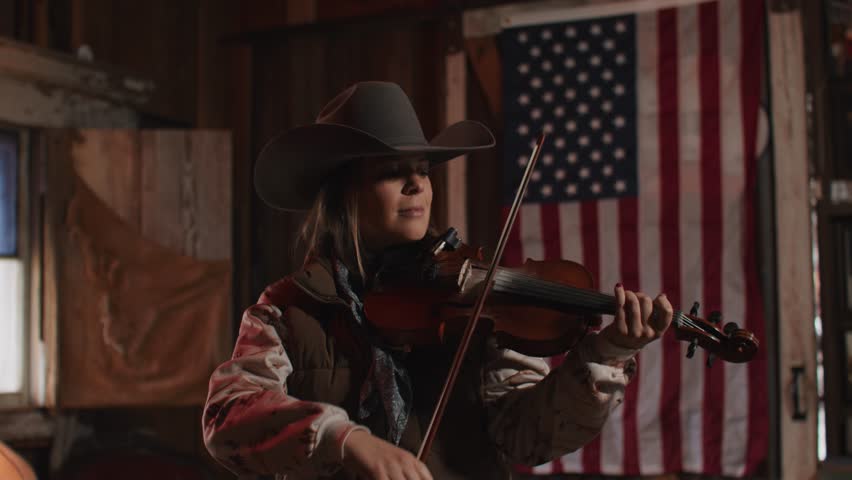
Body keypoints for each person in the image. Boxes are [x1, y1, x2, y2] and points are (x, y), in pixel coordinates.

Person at [202, 81, 673, 480]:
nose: (416, 186)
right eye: (392, 173)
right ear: (345, 194)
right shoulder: (289, 308)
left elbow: (525, 438)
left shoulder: (470, 297)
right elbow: (229, 415)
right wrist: (343, 438)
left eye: (422, 172)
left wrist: (605, 354)